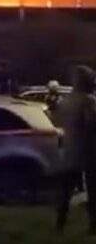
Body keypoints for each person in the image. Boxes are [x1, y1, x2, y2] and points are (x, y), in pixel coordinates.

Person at [56, 65, 96, 234]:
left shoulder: (66, 101)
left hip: (70, 148)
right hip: (88, 150)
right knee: (93, 190)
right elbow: (91, 124)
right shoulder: (88, 100)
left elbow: (59, 121)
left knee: (66, 190)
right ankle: (93, 225)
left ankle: (60, 223)